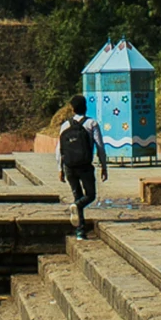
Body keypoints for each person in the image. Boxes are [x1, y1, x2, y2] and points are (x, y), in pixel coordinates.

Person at [55, 95, 107, 241]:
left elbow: (59, 149)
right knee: (90, 195)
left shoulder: (65, 125)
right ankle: (76, 206)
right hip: (85, 166)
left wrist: (60, 169)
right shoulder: (92, 123)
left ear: (72, 108)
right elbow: (100, 146)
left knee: (77, 194)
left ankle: (80, 232)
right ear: (85, 106)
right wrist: (104, 166)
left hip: (69, 166)